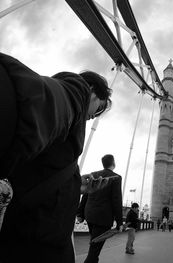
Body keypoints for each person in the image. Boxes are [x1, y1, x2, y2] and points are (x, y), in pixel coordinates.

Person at [0, 52, 112, 263]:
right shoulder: (74, 92)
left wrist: (77, 186)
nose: (90, 118)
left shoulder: (64, 125)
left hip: (37, 237)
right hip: (33, 243)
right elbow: (28, 105)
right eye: (95, 111)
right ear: (92, 92)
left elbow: (36, 172)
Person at [77, 154, 123, 263]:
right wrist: (120, 222)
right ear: (113, 163)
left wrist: (80, 213)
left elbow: (86, 194)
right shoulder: (116, 178)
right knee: (95, 249)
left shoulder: (94, 174)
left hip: (89, 215)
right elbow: (116, 200)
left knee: (94, 245)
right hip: (103, 218)